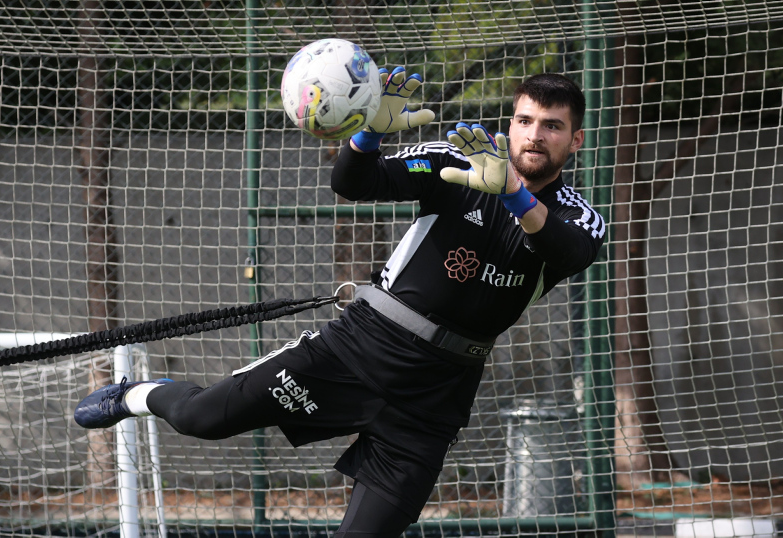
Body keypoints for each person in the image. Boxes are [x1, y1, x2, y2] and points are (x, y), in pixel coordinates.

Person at [75, 67, 605, 537]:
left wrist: (512, 193)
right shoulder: (455, 162)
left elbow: (567, 251)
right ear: (510, 124)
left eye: (552, 126)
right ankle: (139, 393)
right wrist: (369, 134)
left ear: (575, 139)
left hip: (435, 396)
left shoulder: (579, 217)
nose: (535, 136)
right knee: (199, 417)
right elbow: (353, 182)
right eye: (525, 121)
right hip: (359, 347)